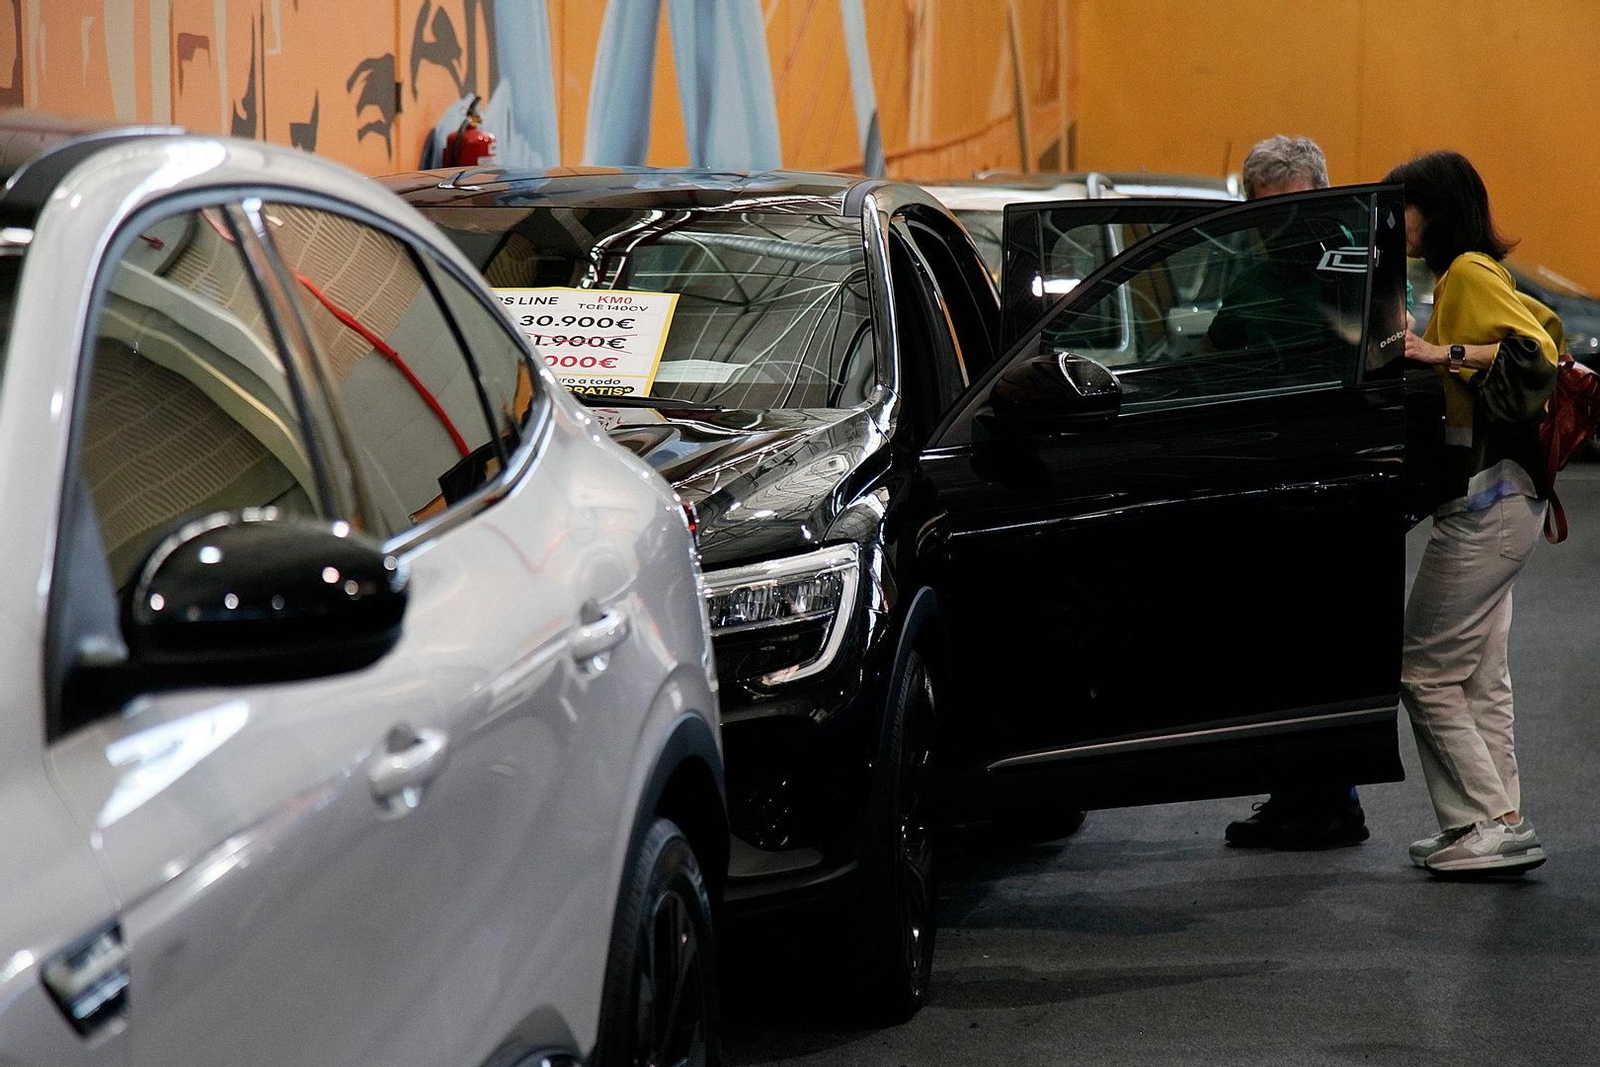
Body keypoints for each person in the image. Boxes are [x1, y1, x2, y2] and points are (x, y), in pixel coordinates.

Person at [1387, 150, 1559, 874]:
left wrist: (1436, 351)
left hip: (1487, 499)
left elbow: (1539, 350)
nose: (1400, 223)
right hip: (1511, 496)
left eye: (1408, 208)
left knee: (1424, 669)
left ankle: (1489, 818)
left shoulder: (1468, 274)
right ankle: (1489, 820)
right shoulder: (1466, 275)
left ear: (1438, 209)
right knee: (1481, 674)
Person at [1222, 135, 1371, 850]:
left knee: (1328, 643)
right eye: (1265, 211)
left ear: (1322, 196)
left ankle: (1333, 800)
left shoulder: (1357, 265)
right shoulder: (1249, 278)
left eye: (1293, 208)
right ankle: (1292, 793)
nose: (1278, 225)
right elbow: (1220, 358)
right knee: (1276, 647)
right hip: (1265, 474)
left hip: (1337, 475)